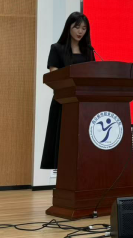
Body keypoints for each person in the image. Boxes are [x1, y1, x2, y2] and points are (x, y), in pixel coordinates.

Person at [41, 12, 96, 170]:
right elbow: (54, 76)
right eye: (77, 27)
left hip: (85, 106)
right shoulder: (57, 49)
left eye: (84, 28)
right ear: (68, 27)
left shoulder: (88, 51)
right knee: (64, 145)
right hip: (63, 103)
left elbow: (94, 76)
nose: (80, 31)